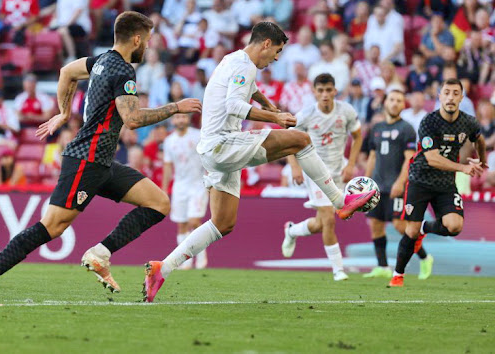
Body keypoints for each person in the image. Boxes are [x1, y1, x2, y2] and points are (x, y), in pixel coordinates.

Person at [0, 11, 202, 306]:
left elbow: (67, 71)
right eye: (148, 40)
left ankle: (101, 253)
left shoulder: (101, 61)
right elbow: (131, 119)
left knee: (158, 202)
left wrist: (65, 113)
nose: (148, 46)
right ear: (137, 39)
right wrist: (175, 107)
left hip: (101, 162)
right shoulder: (123, 71)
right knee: (51, 227)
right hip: (86, 160)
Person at [142, 23, 376, 302]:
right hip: (223, 144)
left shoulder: (234, 59)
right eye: (277, 51)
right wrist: (275, 118)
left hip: (213, 151)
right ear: (266, 44)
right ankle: (340, 201)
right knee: (301, 140)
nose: (276, 58)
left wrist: (269, 105)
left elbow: (250, 91)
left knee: (223, 223)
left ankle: (162, 268)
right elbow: (234, 106)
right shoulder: (244, 66)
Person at [389, 79, 486, 287]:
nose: (450, 97)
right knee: (411, 231)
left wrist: (483, 161)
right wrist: (462, 168)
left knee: (455, 226)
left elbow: (479, 139)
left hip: (445, 183)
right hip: (420, 179)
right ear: (439, 96)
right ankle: (398, 274)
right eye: (446, 93)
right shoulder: (428, 122)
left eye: (455, 93)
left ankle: (426, 227)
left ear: (462, 97)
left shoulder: (468, 122)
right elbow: (432, 158)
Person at [281, 73, 363, 281]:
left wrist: (351, 163)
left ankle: (292, 231)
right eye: (321, 90)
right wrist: (295, 167)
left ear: (335, 91)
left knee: (320, 224)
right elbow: (288, 140)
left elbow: (358, 135)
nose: (325, 95)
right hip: (316, 173)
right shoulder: (306, 114)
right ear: (314, 92)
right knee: (328, 219)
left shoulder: (346, 111)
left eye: (328, 90)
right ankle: (338, 270)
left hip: (338, 171)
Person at [363, 90, 434, 280]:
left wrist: (400, 182)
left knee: (400, 226)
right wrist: (366, 183)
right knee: (375, 225)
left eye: (399, 101)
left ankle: (425, 258)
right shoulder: (376, 128)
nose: (395, 103)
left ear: (404, 105)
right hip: (377, 186)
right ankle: (382, 266)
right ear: (385, 103)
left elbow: (409, 158)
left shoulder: (407, 129)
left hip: (397, 186)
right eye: (392, 100)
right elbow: (371, 156)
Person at [162, 113, 209, 270]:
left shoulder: (198, 136)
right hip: (180, 186)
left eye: (183, 117)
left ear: (188, 119)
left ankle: (201, 258)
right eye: (177, 117)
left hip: (198, 184)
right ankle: (185, 260)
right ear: (172, 120)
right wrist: (164, 189)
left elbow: (208, 157)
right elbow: (168, 166)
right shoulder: (169, 141)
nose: (180, 120)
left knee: (194, 222)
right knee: (181, 224)